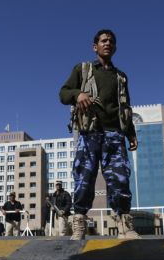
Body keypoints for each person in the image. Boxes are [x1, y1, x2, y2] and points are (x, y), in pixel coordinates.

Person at [59, 29, 141, 240]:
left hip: (115, 135)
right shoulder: (83, 69)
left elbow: (126, 107)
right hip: (89, 134)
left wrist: (130, 133)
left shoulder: (120, 77)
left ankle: (124, 225)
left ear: (115, 47)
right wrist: (78, 94)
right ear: (95, 47)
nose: (108, 43)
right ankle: (79, 224)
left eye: (111, 41)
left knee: (120, 180)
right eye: (104, 41)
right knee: (83, 180)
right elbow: (63, 93)